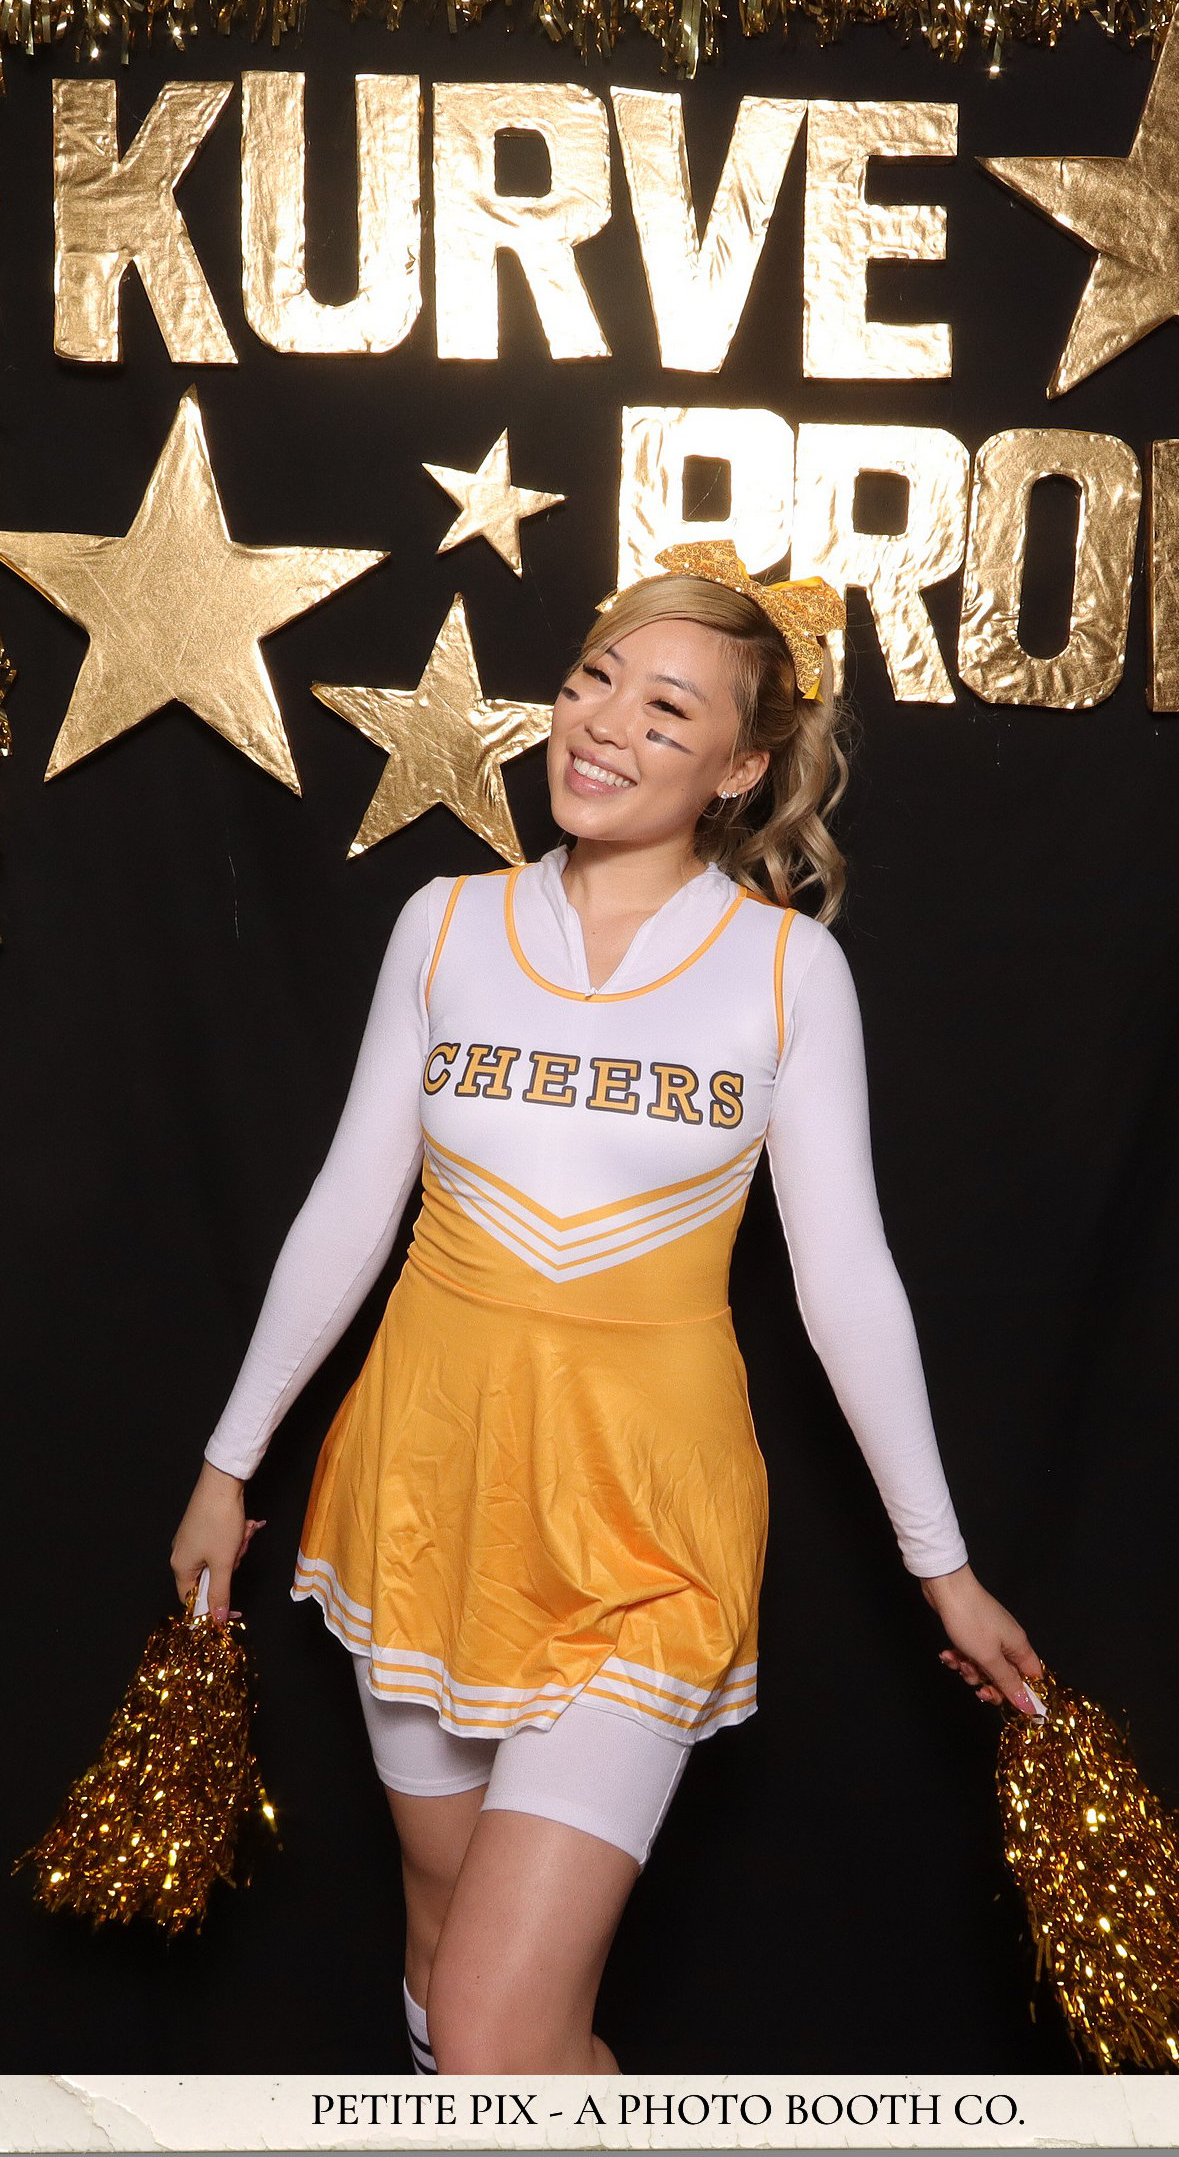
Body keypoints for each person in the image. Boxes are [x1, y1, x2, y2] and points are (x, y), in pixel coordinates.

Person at [170, 541, 1046, 2077]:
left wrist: (943, 1570)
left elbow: (847, 1283)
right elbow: (349, 1212)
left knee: (495, 2027)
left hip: (652, 1526)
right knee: (449, 1968)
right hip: (427, 1490)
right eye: (594, 679)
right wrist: (227, 1462)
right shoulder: (445, 924)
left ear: (740, 768)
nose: (604, 726)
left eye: (666, 710)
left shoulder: (786, 973)